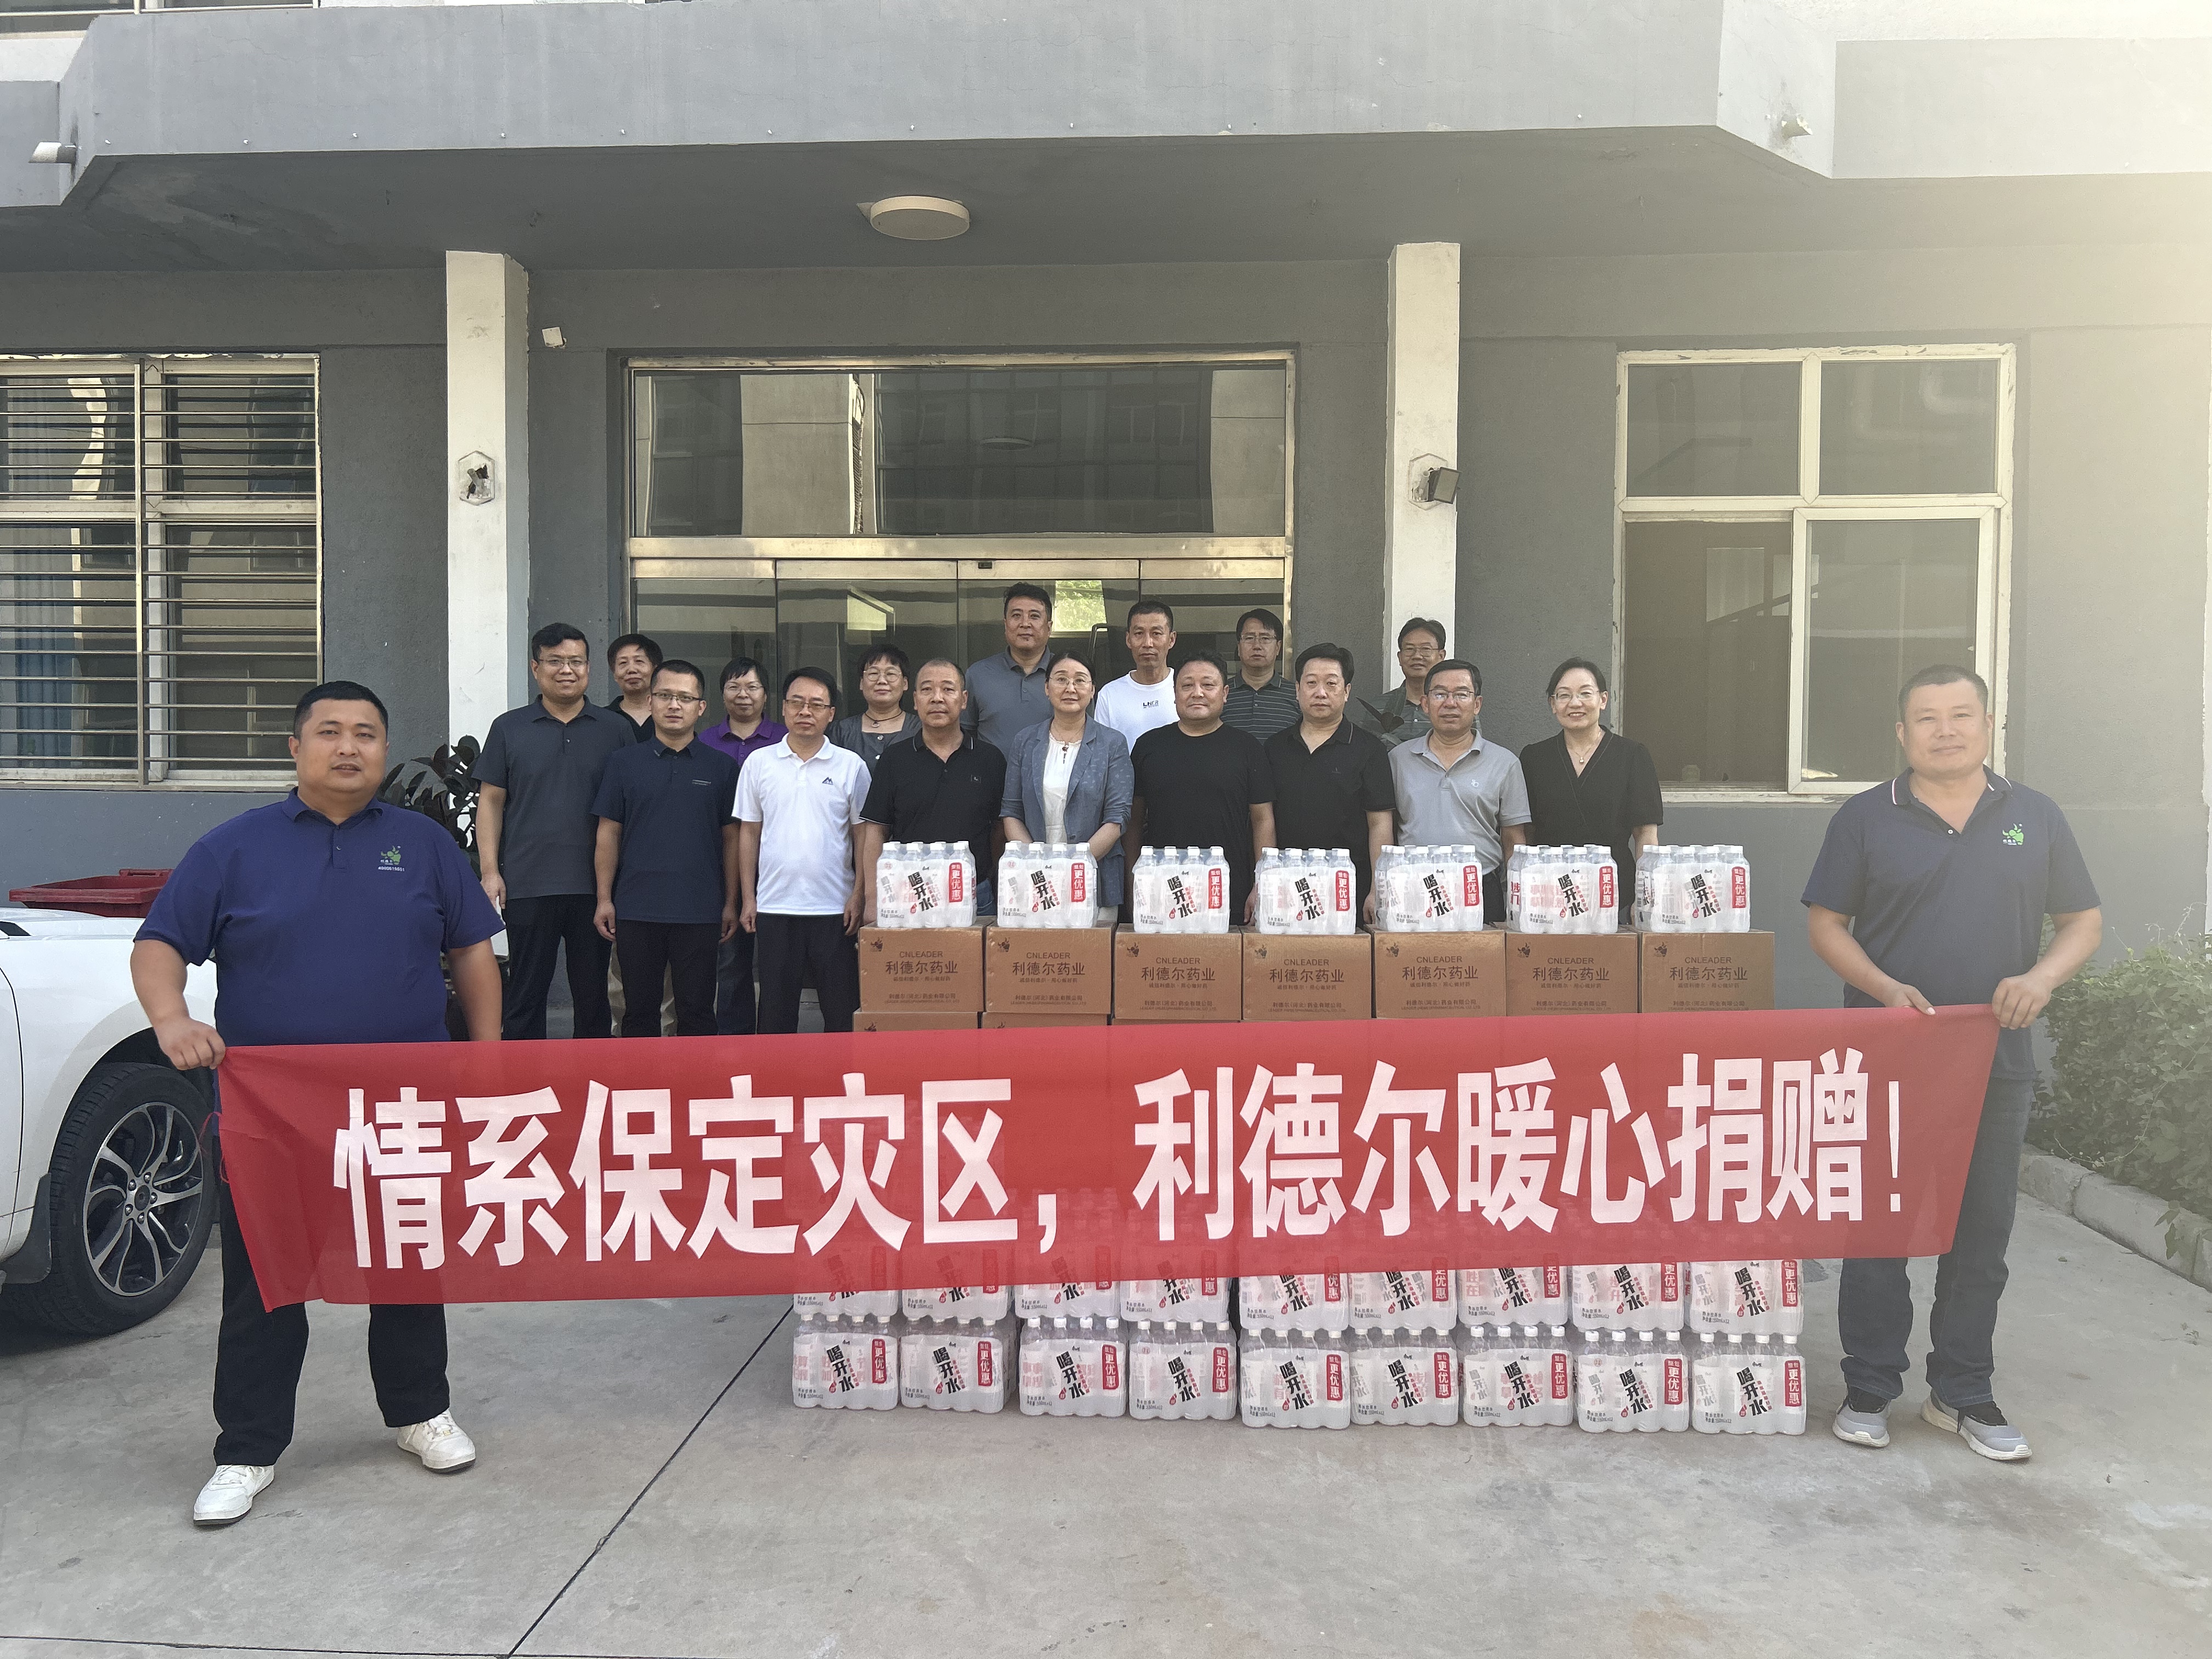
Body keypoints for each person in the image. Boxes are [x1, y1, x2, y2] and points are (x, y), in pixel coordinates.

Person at [129, 680, 503, 1528]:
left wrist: (486, 1063)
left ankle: (419, 1410)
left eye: (366, 733)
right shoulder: (234, 848)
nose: (348, 747)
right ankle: (247, 1448)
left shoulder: (423, 844)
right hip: (272, 1111)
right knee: (265, 1278)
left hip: (402, 1103)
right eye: (329, 732)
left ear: (384, 749)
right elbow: (160, 944)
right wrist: (171, 1017)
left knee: (407, 1265)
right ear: (295, 748)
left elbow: (473, 954)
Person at [1806, 665, 2102, 1464]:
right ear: (1902, 733)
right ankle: (1870, 1385)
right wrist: (1883, 989)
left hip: (1993, 1059)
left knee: (1981, 1230)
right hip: (1888, 1055)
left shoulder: (2034, 816)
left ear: (1988, 723)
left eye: (1961, 715)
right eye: (1928, 718)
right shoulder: (1867, 817)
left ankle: (1962, 1391)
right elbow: (1826, 923)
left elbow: (2082, 920)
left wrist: (2041, 979)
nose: (1946, 730)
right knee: (1880, 1223)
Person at [475, 623, 633, 1040]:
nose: (567, 670)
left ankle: (592, 1075)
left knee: (593, 996)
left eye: (576, 661)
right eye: (555, 661)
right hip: (528, 882)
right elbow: (490, 802)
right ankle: (521, 1074)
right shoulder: (509, 728)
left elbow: (628, 808)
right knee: (526, 994)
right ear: (536, 668)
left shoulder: (615, 729)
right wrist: (490, 871)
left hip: (596, 887)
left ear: (589, 668)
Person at [591, 659, 741, 1038]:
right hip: (636, 908)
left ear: (701, 707)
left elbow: (732, 840)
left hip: (700, 909)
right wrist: (604, 899)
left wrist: (730, 902)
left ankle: (696, 1078)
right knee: (638, 1014)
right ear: (651, 702)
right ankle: (640, 1079)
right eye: (665, 696)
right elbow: (608, 834)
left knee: (697, 1013)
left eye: (685, 698)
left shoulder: (722, 768)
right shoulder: (623, 763)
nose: (675, 705)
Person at [738, 667, 870, 1033]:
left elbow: (863, 837)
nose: (805, 711)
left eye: (816, 704)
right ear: (783, 708)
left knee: (841, 1011)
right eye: (797, 702)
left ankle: (842, 1072)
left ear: (831, 713)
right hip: (775, 907)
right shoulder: (759, 763)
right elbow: (749, 833)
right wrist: (749, 898)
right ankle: (776, 1073)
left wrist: (859, 894)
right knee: (775, 1014)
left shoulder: (851, 766)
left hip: (835, 909)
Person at [1126, 652, 1277, 922]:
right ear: (1175, 694)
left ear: (1225, 693)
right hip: (1161, 891)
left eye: (1208, 685)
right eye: (1187, 685)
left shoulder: (1247, 749)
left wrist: (1262, 883)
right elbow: (1133, 823)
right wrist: (1132, 881)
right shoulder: (1148, 747)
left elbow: (1263, 820)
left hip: (1228, 890)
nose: (1197, 693)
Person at [860, 659, 1008, 922]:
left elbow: (999, 829)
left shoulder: (990, 759)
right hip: (908, 892)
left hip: (975, 893)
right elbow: (876, 831)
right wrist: (872, 898)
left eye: (948, 690)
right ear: (915, 700)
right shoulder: (894, 759)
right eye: (927, 690)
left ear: (964, 700)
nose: (937, 698)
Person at [1517, 657, 1663, 921]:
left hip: (1614, 893)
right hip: (1550, 895)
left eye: (1585, 693)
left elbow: (1646, 835)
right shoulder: (1534, 758)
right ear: (1553, 705)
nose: (1575, 703)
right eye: (1564, 695)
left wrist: (1644, 898)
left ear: (1603, 700)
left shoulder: (1632, 756)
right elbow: (1525, 833)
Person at [1388, 656, 1530, 919]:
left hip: (1480, 888)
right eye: (1440, 694)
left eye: (1462, 694)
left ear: (1477, 705)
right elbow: (1386, 829)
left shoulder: (1505, 763)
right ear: (1425, 703)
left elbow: (1513, 838)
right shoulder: (1398, 759)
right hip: (1412, 888)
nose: (1450, 703)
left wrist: (1518, 899)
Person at [1263, 642, 1396, 919]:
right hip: (1286, 886)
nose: (1321, 692)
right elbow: (1264, 820)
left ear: (1346, 691)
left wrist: (1378, 888)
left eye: (1331, 684)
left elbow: (1380, 824)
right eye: (1311, 683)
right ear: (1297, 689)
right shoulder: (1275, 748)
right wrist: (1263, 881)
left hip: (1349, 889)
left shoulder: (1369, 750)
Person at [999, 651, 1135, 912]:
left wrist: (1072, 868)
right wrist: (1039, 866)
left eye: (1080, 680)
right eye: (1061, 679)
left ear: (1092, 690)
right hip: (1035, 880)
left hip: (1095, 877)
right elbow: (1011, 812)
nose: (1070, 688)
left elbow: (1117, 817)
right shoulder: (1025, 742)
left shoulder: (1112, 743)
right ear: (1047, 688)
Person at [695, 655, 786, 1035]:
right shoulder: (704, 742)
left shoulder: (786, 739)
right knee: (730, 958)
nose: (743, 695)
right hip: (720, 864)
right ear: (722, 695)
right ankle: (735, 1040)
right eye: (734, 687)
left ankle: (773, 1037)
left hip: (778, 865)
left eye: (752, 687)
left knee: (779, 963)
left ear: (766, 695)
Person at [964, 583, 1055, 753]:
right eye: (1016, 615)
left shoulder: (1068, 677)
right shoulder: (977, 675)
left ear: (1049, 628)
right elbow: (963, 736)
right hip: (992, 771)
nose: (1025, 624)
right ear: (1006, 625)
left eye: (1034, 616)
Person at [1093, 600, 1179, 748]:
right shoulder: (1110, 694)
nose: (1148, 643)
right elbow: (1102, 751)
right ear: (1128, 639)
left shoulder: (1188, 689)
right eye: (1139, 633)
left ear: (1171, 640)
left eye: (1156, 634)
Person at [829, 644, 921, 775]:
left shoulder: (921, 730)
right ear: (862, 683)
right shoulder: (840, 732)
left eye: (891, 674)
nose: (882, 681)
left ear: (905, 684)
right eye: (873, 673)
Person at [1355, 617, 1447, 748]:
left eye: (1426, 649)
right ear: (1400, 658)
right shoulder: (1377, 707)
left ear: (1441, 656)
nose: (1417, 656)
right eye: (1409, 649)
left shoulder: (1453, 707)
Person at [1222, 606, 1300, 739]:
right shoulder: (1220, 694)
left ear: (1278, 647)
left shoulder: (1297, 695)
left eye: (1265, 638)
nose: (1257, 646)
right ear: (1239, 647)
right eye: (1249, 638)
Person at [604, 632, 663, 742]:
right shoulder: (602, 719)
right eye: (623, 663)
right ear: (615, 675)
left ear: (656, 670)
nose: (631, 670)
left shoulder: (670, 715)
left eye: (639, 661)